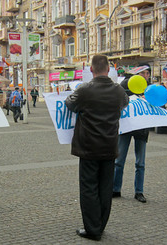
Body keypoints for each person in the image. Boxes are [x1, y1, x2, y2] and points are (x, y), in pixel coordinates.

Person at [65, 55, 129, 241]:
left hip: (89, 147)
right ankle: (100, 224)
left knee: (88, 188)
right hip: (110, 146)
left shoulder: (85, 89)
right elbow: (125, 103)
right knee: (105, 188)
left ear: (91, 70)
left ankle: (92, 229)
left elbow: (70, 104)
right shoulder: (118, 90)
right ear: (108, 70)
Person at [113, 65, 151, 203]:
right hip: (126, 126)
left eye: (147, 73)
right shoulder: (125, 84)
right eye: (143, 73)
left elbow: (157, 105)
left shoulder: (149, 88)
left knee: (140, 163)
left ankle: (139, 192)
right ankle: (115, 189)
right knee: (119, 161)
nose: (145, 76)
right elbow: (118, 100)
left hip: (142, 129)